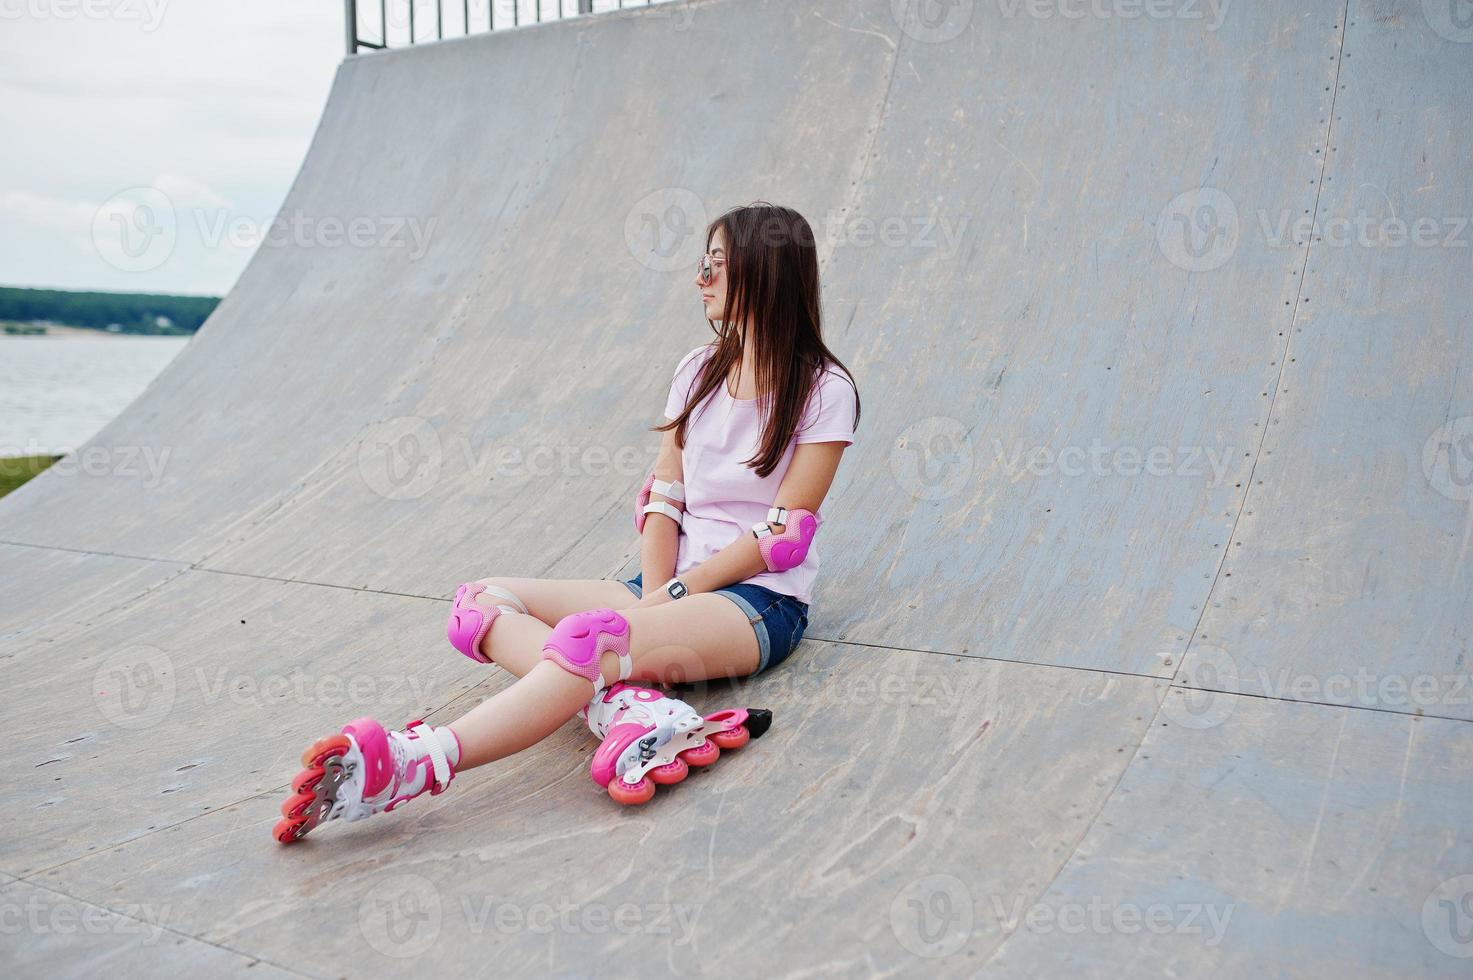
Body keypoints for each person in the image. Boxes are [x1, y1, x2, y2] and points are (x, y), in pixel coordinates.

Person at [274, 202, 860, 843]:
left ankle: (418, 763)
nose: (701, 279)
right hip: (667, 584)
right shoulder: (698, 370)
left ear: (765, 272)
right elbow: (664, 497)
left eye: (716, 265)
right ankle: (630, 708)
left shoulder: (824, 389)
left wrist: (666, 601)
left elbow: (780, 538)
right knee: (480, 605)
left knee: (592, 641)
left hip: (757, 603)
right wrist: (657, 592)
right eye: (703, 264)